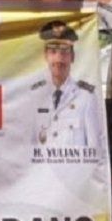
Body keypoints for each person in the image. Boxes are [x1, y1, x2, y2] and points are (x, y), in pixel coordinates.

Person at [31, 20, 102, 148]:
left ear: (73, 56)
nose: (59, 59)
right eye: (53, 52)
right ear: (45, 56)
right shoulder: (34, 95)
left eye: (64, 52)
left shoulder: (86, 97)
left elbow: (94, 148)